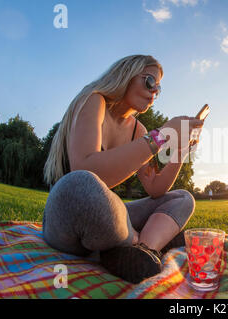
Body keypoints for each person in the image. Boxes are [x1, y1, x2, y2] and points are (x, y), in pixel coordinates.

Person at [42, 55, 204, 283]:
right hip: (71, 209)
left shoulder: (138, 130)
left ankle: (143, 250)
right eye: (149, 81)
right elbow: (85, 168)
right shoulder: (94, 100)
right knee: (82, 183)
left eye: (158, 88)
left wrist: (180, 150)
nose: (154, 92)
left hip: (108, 217)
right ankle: (146, 237)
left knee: (183, 198)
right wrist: (160, 137)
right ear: (126, 75)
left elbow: (155, 188)